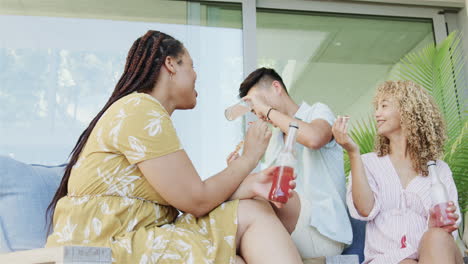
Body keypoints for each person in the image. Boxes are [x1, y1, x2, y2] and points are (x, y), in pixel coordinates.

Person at [45, 30, 302, 264]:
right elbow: (197, 199)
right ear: (171, 64)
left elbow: (189, 198)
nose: (195, 75)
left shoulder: (144, 112)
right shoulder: (140, 109)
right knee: (252, 215)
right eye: (191, 66)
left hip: (137, 237)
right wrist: (249, 158)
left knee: (248, 226)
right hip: (106, 244)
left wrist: (249, 183)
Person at [332, 80, 463, 264]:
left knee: (437, 237)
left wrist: (434, 225)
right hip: (386, 260)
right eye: (376, 107)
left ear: (408, 110)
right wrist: (353, 152)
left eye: (384, 106)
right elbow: (365, 210)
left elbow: (451, 226)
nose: (377, 114)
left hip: (435, 255)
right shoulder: (368, 163)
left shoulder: (438, 170)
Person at [230, 67, 352, 259]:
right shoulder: (275, 140)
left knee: (265, 194)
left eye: (258, 101)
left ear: (276, 87)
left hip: (324, 232)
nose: (258, 112)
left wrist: (266, 110)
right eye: (254, 109)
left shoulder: (317, 112)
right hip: (289, 230)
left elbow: (314, 138)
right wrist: (238, 169)